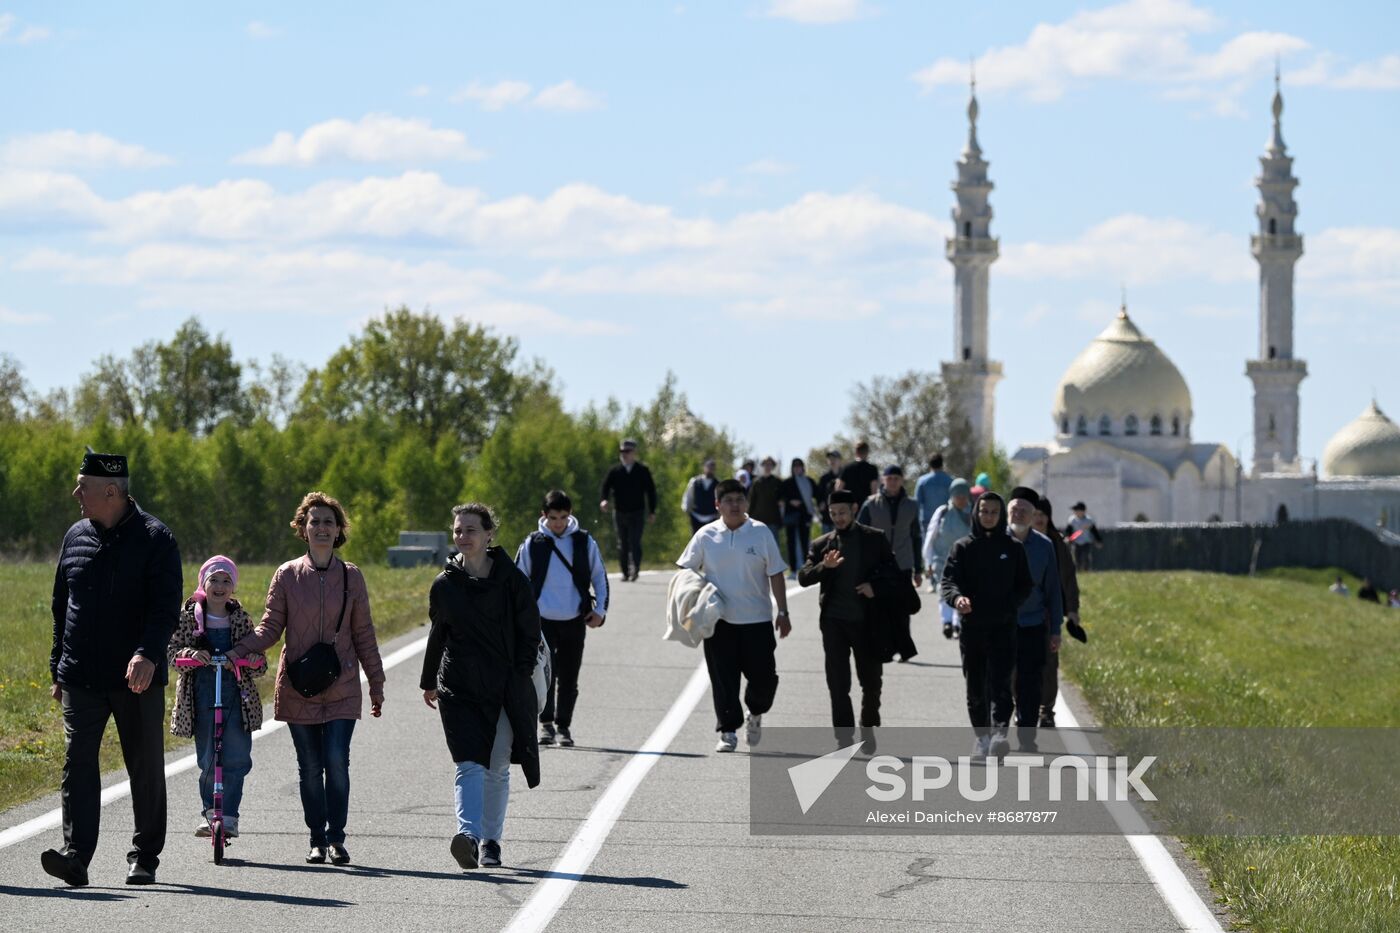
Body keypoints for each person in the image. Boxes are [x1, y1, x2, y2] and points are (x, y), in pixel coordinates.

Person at [43, 452, 182, 888]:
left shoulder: (157, 538)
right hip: (81, 674)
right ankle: (76, 857)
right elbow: (61, 606)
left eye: (81, 485)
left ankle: (144, 856)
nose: (75, 494)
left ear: (111, 491)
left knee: (143, 764)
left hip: (135, 678)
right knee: (77, 762)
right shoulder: (75, 536)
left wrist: (148, 653)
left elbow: (164, 610)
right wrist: (57, 668)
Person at [228, 492, 386, 867]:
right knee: (310, 768)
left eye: (328, 522)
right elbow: (270, 627)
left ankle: (337, 839)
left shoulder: (352, 577)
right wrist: (235, 650)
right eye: (314, 521)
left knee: (337, 760)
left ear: (338, 531)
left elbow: (363, 633)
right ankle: (316, 838)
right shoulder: (286, 575)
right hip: (298, 685)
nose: (321, 528)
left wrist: (376, 683)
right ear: (302, 529)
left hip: (343, 684)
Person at [423, 503, 542, 871]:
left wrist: (520, 677)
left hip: (505, 687)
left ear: (490, 534)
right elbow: (438, 634)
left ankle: (492, 841)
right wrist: (429, 681)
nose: (463, 537)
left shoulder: (513, 581)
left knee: (497, 765)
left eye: (471, 530)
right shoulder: (445, 584)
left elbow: (530, 633)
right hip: (458, 688)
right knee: (468, 764)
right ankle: (469, 836)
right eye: (458, 530)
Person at [677, 478, 791, 753]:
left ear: (746, 503)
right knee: (723, 680)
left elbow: (775, 572)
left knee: (764, 679)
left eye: (739, 499)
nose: (735, 505)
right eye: (728, 500)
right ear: (718, 505)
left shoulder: (760, 532)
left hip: (758, 620)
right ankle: (728, 731)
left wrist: (783, 611)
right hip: (719, 621)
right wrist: (692, 603)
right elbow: (686, 570)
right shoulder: (706, 535)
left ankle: (756, 712)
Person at [168, 556, 268, 840]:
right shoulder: (188, 618)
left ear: (233, 587)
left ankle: (230, 816)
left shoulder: (240, 619)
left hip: (236, 695)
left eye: (226, 581)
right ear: (203, 583)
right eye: (214, 579)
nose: (220, 586)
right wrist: (191, 655)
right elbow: (171, 654)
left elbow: (260, 663)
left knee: (236, 757)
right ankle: (211, 813)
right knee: (209, 758)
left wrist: (248, 660)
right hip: (200, 696)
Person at [797, 489, 899, 749]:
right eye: (833, 514)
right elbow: (803, 576)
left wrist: (874, 587)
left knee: (872, 681)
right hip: (834, 623)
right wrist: (825, 567)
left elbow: (893, 574)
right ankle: (843, 737)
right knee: (838, 683)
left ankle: (868, 723)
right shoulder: (822, 544)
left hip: (867, 622)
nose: (838, 518)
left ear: (854, 509)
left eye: (842, 512)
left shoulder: (874, 539)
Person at [940, 492, 1032, 759]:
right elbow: (949, 581)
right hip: (973, 628)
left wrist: (1009, 605)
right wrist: (957, 599)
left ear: (1001, 515)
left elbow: (1024, 585)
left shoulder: (1013, 547)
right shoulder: (963, 547)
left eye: (993, 512)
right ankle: (982, 737)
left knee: (1002, 682)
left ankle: (1000, 733)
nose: (989, 516)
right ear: (976, 514)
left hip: (1003, 627)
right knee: (976, 685)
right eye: (984, 512)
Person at [516, 490, 609, 748]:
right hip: (541, 621)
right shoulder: (533, 544)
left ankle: (564, 726)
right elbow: (518, 582)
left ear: (570, 515)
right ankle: (545, 725)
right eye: (554, 517)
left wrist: (600, 611)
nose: (559, 523)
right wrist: (519, 619)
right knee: (544, 675)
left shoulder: (583, 541)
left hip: (574, 619)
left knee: (569, 677)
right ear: (544, 516)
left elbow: (599, 577)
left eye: (564, 517)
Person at [1006, 487, 1063, 752]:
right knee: (1002, 681)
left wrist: (1056, 631)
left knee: (1030, 682)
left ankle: (1027, 735)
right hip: (1001, 625)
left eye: (1023, 511)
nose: (1017, 514)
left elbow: (1053, 590)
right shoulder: (994, 541)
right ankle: (996, 733)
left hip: (1033, 624)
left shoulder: (1045, 546)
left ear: (1032, 516)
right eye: (1013, 509)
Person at [857, 465, 923, 662]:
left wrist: (918, 569)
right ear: (883, 480)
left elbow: (916, 537)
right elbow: (859, 534)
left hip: (902, 563)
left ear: (902, 480)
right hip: (878, 564)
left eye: (896, 478)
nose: (893, 481)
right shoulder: (870, 504)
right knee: (879, 608)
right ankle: (885, 648)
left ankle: (904, 649)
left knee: (902, 608)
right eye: (889, 478)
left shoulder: (912, 505)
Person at [1032, 498, 1081, 728]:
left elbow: (1068, 579)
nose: (1039, 518)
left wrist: (1072, 610)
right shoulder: (1017, 541)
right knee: (1018, 663)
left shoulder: (1057, 543)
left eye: (1043, 514)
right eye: (1035, 513)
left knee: (1049, 662)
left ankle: (1046, 710)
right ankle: (1022, 704)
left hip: (1050, 612)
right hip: (1021, 612)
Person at [599, 438, 658, 582]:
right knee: (622, 543)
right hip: (619, 512)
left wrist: (652, 511)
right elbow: (605, 487)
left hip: (637, 512)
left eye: (627, 451)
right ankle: (625, 572)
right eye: (622, 451)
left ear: (634, 453)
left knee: (635, 541)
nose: (624, 454)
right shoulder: (615, 471)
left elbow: (651, 491)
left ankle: (635, 569)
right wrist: (604, 500)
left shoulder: (642, 471)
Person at [924, 477, 973, 636]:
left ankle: (957, 622)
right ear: (952, 495)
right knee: (943, 591)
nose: (961, 499)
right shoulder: (942, 512)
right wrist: (928, 562)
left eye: (963, 496)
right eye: (957, 496)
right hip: (941, 560)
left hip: (965, 562)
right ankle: (946, 622)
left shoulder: (973, 514)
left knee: (963, 591)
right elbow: (930, 537)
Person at [778, 458, 817, 580]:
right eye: (795, 466)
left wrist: (820, 504)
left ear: (803, 467)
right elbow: (779, 496)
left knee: (805, 542)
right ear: (792, 468)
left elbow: (818, 494)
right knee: (791, 542)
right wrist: (790, 501)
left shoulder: (809, 481)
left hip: (805, 516)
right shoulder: (787, 482)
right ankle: (793, 570)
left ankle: (807, 568)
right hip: (791, 516)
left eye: (799, 466)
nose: (797, 468)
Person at [747, 456, 784, 549]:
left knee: (774, 546)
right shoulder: (756, 482)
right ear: (762, 466)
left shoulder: (777, 482)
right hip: (757, 520)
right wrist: (748, 518)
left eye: (770, 464)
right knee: (757, 546)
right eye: (765, 464)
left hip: (773, 520)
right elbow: (751, 501)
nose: (767, 467)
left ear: (772, 467)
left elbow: (782, 500)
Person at [913, 453, 953, 540]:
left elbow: (916, 503)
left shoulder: (922, 481)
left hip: (927, 523)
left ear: (930, 464)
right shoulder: (950, 481)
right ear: (942, 464)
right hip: (945, 522)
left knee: (927, 551)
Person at [681, 458, 720, 533]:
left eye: (712, 468)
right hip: (696, 516)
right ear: (704, 467)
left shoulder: (718, 484)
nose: (710, 470)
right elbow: (689, 495)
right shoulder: (695, 481)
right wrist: (686, 508)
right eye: (709, 467)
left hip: (711, 517)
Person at [1065, 502, 1102, 572]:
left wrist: (1098, 540)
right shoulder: (1072, 520)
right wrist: (1068, 538)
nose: (1075, 512)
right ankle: (1078, 571)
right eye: (1075, 510)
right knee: (1076, 558)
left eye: (1077, 510)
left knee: (1086, 557)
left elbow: (1094, 531)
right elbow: (1068, 531)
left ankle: (1086, 570)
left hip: (1086, 542)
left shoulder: (1089, 520)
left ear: (1083, 511)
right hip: (1076, 542)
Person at [816, 449, 843, 534]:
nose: (832, 461)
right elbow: (818, 495)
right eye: (830, 459)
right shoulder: (824, 478)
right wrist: (820, 503)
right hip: (827, 517)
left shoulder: (845, 475)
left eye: (834, 458)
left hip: (842, 516)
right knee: (827, 543)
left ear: (839, 460)